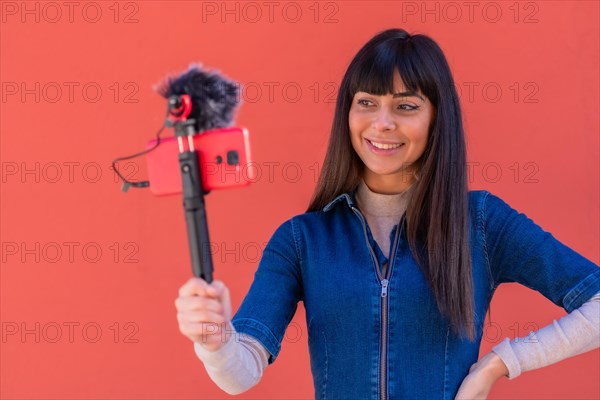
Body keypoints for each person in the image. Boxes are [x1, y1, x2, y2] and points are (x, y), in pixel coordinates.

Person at [174, 28, 600, 399]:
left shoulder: (482, 222)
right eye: (366, 103)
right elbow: (241, 371)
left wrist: (500, 363)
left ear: (436, 119)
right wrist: (213, 337)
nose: (382, 123)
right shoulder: (302, 240)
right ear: (347, 113)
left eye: (406, 106)